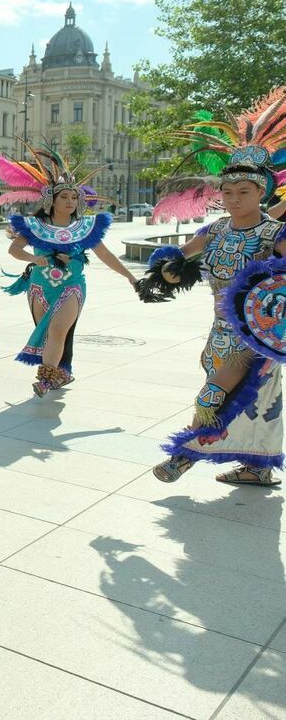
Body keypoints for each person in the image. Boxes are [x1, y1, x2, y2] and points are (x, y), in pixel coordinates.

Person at [141, 92, 286, 487]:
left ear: (262, 193)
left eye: (244, 191)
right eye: (228, 191)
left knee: (212, 395)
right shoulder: (215, 231)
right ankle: (258, 467)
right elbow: (177, 261)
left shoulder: (275, 233)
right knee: (258, 402)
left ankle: (184, 454)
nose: (234, 198)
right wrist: (168, 274)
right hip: (219, 330)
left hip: (256, 336)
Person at [0, 152, 139, 397]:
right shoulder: (35, 226)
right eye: (65, 196)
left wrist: (130, 277)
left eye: (73, 196)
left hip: (72, 286)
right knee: (50, 333)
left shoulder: (85, 228)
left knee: (59, 330)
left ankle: (46, 380)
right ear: (52, 200)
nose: (70, 201)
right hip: (39, 286)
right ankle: (61, 371)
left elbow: (106, 255)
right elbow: (14, 249)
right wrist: (32, 258)